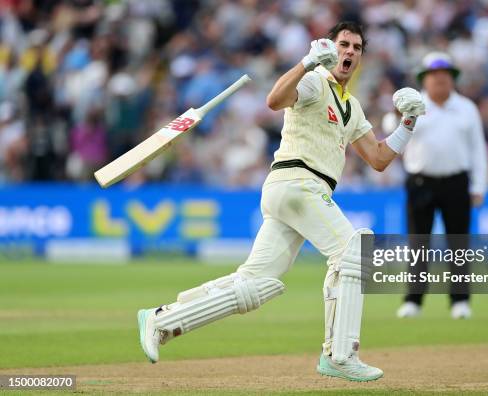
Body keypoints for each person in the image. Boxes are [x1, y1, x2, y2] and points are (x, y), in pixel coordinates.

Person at [137, 21, 426, 382]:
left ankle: (162, 319)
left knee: (256, 284)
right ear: (329, 48)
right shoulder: (314, 80)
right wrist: (307, 63)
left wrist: (408, 124)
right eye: (343, 44)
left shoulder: (352, 107)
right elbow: (274, 100)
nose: (349, 51)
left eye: (356, 47)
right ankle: (340, 355)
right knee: (354, 250)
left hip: (296, 192)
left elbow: (379, 159)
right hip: (298, 181)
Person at [396, 52, 488, 320]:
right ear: (425, 79)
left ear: (452, 79)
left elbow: (478, 150)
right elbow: (393, 133)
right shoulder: (414, 106)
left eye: (445, 76)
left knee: (458, 244)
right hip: (420, 181)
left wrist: (479, 185)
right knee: (418, 243)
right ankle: (414, 300)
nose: (440, 80)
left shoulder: (467, 108)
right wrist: (401, 113)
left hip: (457, 182)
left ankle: (460, 300)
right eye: (435, 76)